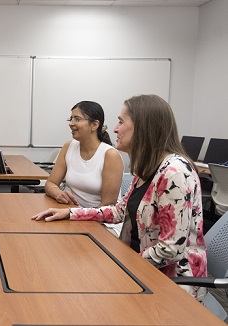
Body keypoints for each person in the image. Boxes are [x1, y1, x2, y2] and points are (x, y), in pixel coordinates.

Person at [32, 94, 207, 301]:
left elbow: (171, 249)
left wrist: (119, 263)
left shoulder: (175, 173)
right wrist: (70, 213)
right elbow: (118, 212)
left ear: (143, 127)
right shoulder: (148, 168)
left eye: (121, 122)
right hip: (139, 269)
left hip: (170, 285)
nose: (114, 129)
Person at [45, 101, 124, 208]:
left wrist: (75, 215)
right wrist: (58, 193)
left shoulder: (110, 155)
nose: (71, 123)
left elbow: (107, 206)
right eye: (70, 119)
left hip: (98, 221)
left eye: (77, 119)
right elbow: (50, 183)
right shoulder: (68, 147)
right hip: (71, 214)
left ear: (94, 125)